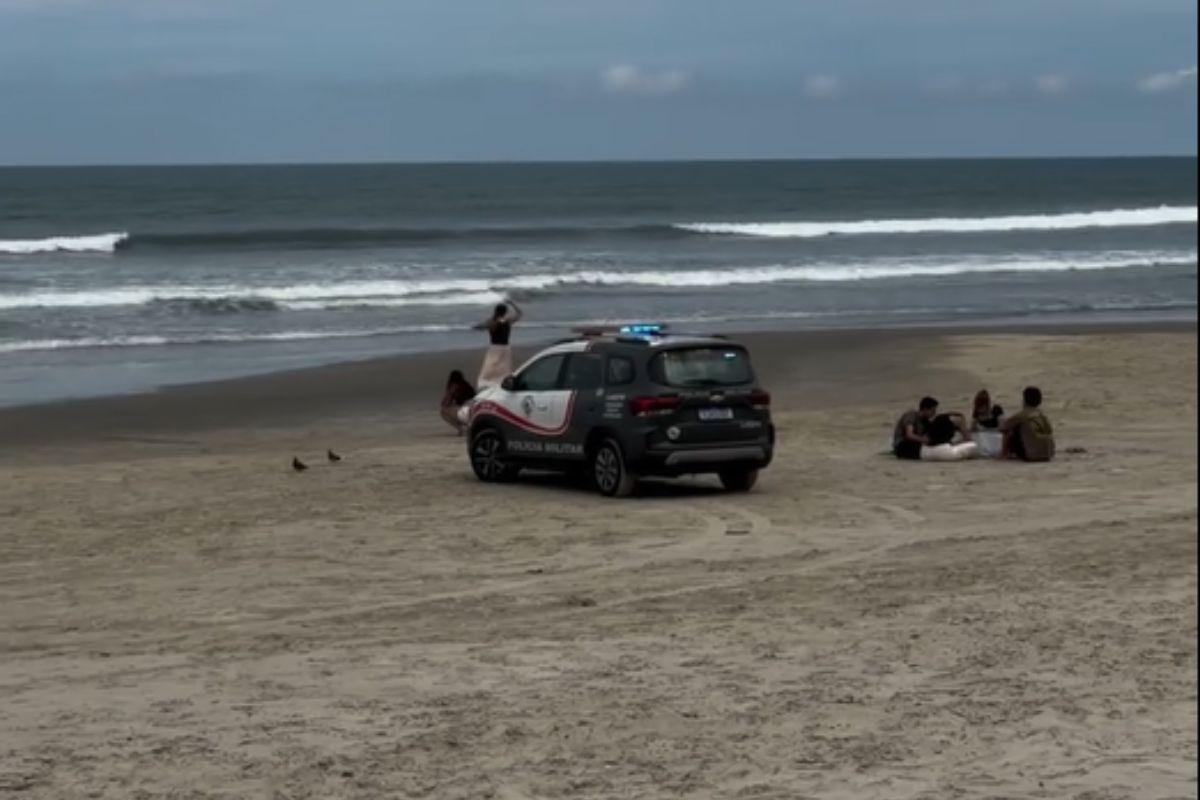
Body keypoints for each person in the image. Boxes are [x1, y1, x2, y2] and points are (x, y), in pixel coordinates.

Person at [892, 396, 979, 462]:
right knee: (941, 420)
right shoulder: (911, 415)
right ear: (925, 409)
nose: (933, 413)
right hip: (904, 446)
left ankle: (963, 438)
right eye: (932, 411)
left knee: (945, 421)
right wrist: (923, 439)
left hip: (916, 445)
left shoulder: (925, 421)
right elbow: (909, 434)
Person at [474, 299, 523, 388]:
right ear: (504, 312)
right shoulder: (506, 321)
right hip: (505, 348)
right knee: (504, 370)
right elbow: (519, 314)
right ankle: (501, 384)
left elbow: (481, 327)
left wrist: (478, 327)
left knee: (490, 368)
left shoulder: (492, 321)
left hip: (495, 348)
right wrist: (512, 303)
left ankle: (488, 385)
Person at [1000, 386, 1055, 462]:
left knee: (1013, 429)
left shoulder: (1022, 415)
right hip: (1048, 454)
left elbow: (1003, 427)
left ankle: (1004, 455)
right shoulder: (1042, 416)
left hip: (1032, 455)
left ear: (1024, 400)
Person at [440, 370, 476, 434]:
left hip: (466, 412)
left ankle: (462, 429)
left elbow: (445, 403)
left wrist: (449, 393)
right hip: (472, 410)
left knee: (443, 412)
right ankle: (468, 427)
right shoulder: (466, 385)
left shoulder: (456, 387)